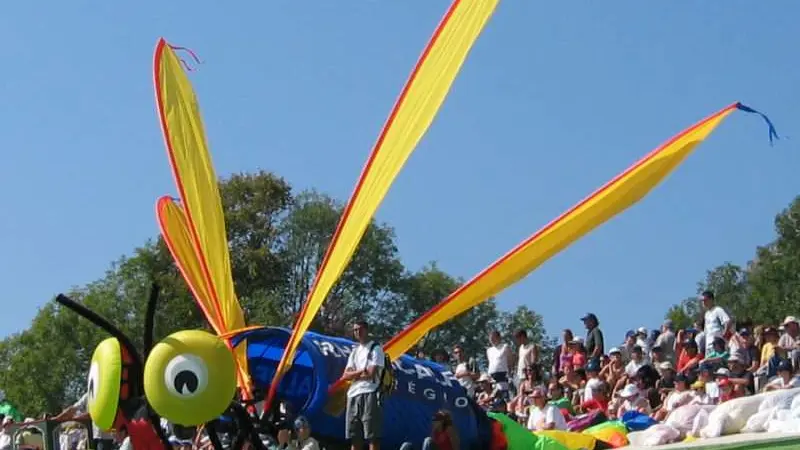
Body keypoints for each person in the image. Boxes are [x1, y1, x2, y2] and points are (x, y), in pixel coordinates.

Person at [341, 320, 385, 450]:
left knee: (372, 435)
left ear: (366, 330)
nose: (358, 332)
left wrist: (354, 375)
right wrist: (361, 371)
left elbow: (371, 373)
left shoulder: (375, 348)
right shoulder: (354, 352)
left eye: (360, 329)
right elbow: (345, 375)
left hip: (369, 392)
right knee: (354, 436)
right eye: (355, 330)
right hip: (353, 394)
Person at [700, 291, 732, 355]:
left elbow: (728, 321)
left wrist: (724, 335)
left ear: (711, 300)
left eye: (705, 300)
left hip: (717, 345)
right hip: (708, 346)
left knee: (718, 364)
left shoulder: (718, 310)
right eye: (702, 301)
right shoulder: (706, 314)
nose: (703, 302)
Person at [486, 331, 513, 396]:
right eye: (490, 338)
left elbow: (510, 361)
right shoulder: (489, 350)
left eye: (493, 338)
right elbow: (490, 362)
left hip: (502, 374)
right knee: (494, 395)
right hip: (491, 375)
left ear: (499, 338)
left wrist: (509, 373)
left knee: (503, 394)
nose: (492, 340)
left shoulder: (505, 346)